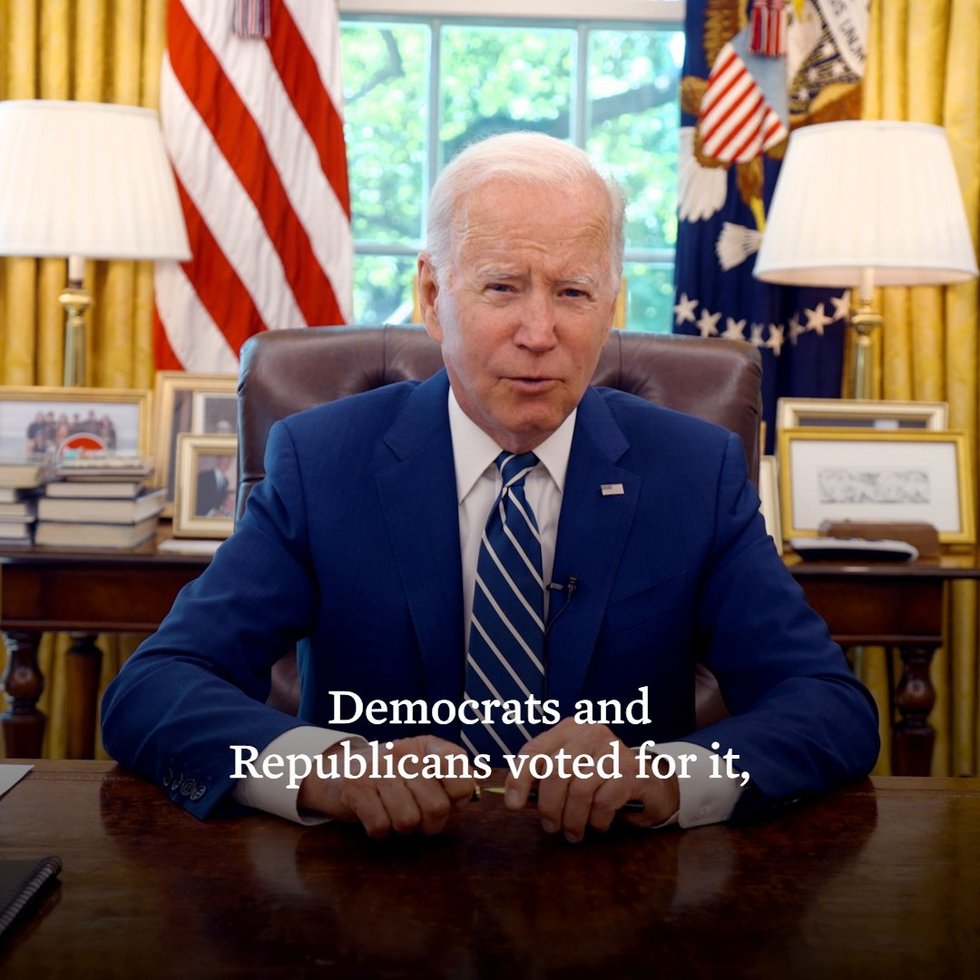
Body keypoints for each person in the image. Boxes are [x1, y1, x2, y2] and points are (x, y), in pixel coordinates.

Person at [102, 132, 878, 843]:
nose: (539, 333)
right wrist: (325, 767)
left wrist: (668, 775)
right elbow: (157, 686)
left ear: (612, 305)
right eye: (502, 287)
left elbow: (827, 704)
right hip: (374, 883)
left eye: (573, 293)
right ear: (431, 296)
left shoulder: (694, 472)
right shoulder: (323, 462)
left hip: (619, 881)